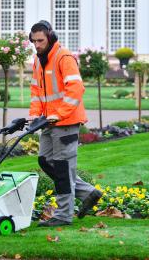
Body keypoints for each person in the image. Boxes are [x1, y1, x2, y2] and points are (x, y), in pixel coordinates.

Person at [29, 20, 102, 227]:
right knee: (45, 160)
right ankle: (88, 192)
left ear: (50, 37)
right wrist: (35, 115)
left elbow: (76, 89)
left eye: (40, 40)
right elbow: (36, 90)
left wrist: (59, 114)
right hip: (47, 122)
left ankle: (63, 215)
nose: (37, 45)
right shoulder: (37, 60)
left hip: (66, 122)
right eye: (34, 41)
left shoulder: (64, 57)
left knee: (62, 168)